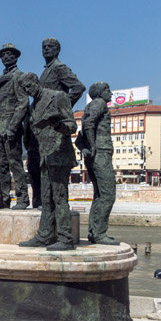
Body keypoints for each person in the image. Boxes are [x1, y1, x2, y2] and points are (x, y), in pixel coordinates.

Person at [16, 73, 78, 251]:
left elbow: (71, 125)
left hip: (59, 155)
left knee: (59, 197)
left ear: (36, 82)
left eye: (29, 86)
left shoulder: (58, 97)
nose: (28, 90)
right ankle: (45, 235)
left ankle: (66, 238)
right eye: (25, 89)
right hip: (45, 157)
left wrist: (57, 124)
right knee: (46, 198)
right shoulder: (34, 106)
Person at [35, 38, 85, 210]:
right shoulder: (46, 71)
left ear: (57, 50)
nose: (46, 49)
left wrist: (62, 106)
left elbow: (78, 87)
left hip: (56, 127)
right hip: (45, 131)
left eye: (50, 47)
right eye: (44, 47)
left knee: (57, 188)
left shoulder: (59, 68)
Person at [0, 43, 29, 209]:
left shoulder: (19, 77)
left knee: (15, 164)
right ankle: (4, 199)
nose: (6, 57)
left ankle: (23, 198)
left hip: (11, 130)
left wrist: (13, 126)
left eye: (9, 54)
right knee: (1, 166)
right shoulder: (1, 81)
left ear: (16, 57)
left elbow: (23, 103)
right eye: (3, 55)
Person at [79, 82, 118, 245]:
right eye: (108, 90)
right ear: (100, 92)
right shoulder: (99, 103)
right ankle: (99, 233)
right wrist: (93, 146)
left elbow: (81, 133)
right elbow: (88, 125)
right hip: (100, 152)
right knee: (108, 194)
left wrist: (86, 147)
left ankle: (94, 232)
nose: (111, 93)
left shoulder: (90, 106)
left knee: (99, 195)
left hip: (96, 153)